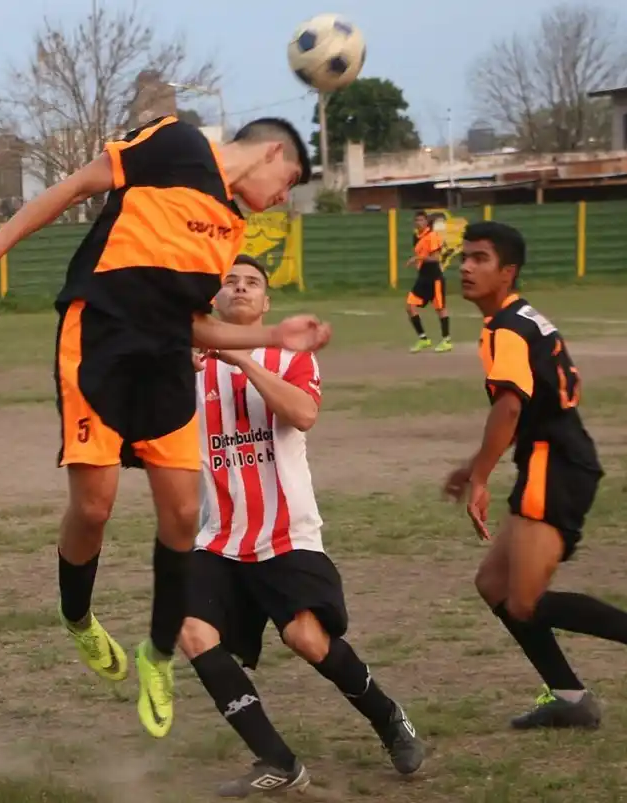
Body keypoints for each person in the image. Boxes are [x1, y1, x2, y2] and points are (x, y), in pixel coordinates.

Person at [0, 115, 331, 741]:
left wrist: (272, 334)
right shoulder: (177, 142)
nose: (283, 197)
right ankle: (78, 616)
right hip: (98, 340)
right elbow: (78, 184)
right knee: (94, 508)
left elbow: (193, 325)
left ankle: (158, 653)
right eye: (289, 181)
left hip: (165, 362)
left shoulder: (230, 226)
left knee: (181, 515)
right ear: (272, 153)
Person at [179, 254, 425, 797]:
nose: (240, 288)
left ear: (266, 302)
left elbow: (303, 414)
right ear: (215, 298)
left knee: (306, 638)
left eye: (252, 283)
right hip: (218, 536)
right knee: (192, 632)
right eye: (230, 281)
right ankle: (277, 760)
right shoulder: (187, 362)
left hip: (286, 533)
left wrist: (241, 359)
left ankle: (388, 718)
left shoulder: (289, 356)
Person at [443, 221, 627, 730]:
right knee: (494, 583)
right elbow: (527, 407)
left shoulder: (506, 329)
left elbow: (510, 408)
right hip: (552, 457)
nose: (467, 268)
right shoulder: (517, 318)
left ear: (507, 271)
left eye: (480, 259)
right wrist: (473, 466)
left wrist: (480, 478)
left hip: (555, 463)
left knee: (524, 602)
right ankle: (569, 697)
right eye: (464, 258)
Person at [405, 210, 452, 353]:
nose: (419, 223)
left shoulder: (432, 236)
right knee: (410, 306)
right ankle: (423, 339)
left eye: (421, 220)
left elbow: (435, 258)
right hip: (423, 277)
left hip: (434, 277)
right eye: (417, 220)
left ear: (426, 222)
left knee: (440, 308)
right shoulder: (416, 237)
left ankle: (446, 340)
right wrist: (418, 261)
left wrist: (417, 258)